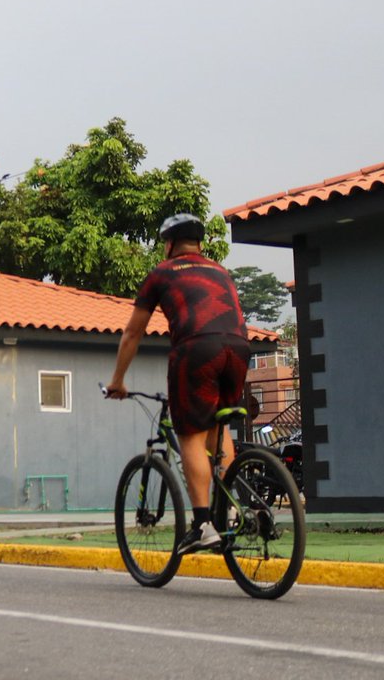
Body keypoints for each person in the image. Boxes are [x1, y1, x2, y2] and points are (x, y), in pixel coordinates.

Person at [105, 213, 251, 554]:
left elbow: (132, 333)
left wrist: (118, 380)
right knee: (218, 429)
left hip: (198, 349)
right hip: (240, 349)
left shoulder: (162, 272)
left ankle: (202, 525)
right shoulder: (220, 271)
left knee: (190, 434)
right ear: (200, 243)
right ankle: (229, 511)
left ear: (169, 243)